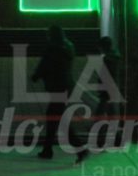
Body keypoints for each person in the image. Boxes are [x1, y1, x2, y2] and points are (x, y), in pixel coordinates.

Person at [31, 25, 80, 160]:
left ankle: (79, 148)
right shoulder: (69, 46)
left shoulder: (53, 48)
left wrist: (36, 76)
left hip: (57, 87)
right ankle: (48, 149)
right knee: (54, 117)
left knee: (57, 118)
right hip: (66, 86)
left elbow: (45, 65)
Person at [74, 35, 124, 163]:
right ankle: (114, 140)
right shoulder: (115, 57)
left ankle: (100, 141)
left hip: (107, 92)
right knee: (111, 117)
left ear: (103, 47)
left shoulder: (107, 59)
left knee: (100, 117)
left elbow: (105, 76)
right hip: (112, 91)